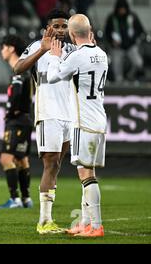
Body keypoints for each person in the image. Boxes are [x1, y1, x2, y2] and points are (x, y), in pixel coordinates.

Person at [14, 8, 76, 234]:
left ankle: (48, 220)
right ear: (47, 28)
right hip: (48, 113)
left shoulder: (73, 49)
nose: (61, 30)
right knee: (50, 164)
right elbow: (18, 68)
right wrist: (41, 50)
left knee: (57, 165)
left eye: (64, 26)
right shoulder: (36, 46)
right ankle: (44, 221)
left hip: (70, 115)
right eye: (56, 26)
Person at [47, 14, 107, 237]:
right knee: (87, 172)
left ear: (72, 35)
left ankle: (96, 225)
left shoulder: (76, 57)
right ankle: (84, 222)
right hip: (99, 119)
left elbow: (53, 77)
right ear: (90, 31)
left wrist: (55, 57)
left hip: (83, 122)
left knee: (85, 174)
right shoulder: (102, 54)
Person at [0, 35, 33, 209]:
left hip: (17, 121)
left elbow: (17, 94)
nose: (2, 51)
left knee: (6, 159)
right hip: (26, 119)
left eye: (3, 47)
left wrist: (11, 111)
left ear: (11, 48)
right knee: (21, 159)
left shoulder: (19, 70)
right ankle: (26, 199)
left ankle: (14, 199)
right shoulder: (26, 70)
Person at [104, 0, 145, 82]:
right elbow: (107, 33)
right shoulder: (112, 18)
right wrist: (112, 42)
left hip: (131, 46)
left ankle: (130, 75)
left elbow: (140, 30)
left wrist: (134, 40)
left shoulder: (132, 17)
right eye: (120, 9)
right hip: (117, 48)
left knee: (138, 63)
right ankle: (119, 82)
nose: (122, 11)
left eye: (123, 9)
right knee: (116, 65)